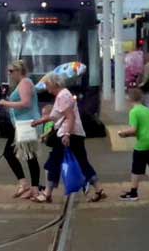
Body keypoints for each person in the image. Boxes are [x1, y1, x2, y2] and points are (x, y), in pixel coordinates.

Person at [32, 74, 106, 203]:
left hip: (68, 134)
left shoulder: (62, 96)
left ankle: (47, 193)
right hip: (74, 133)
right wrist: (38, 122)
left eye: (47, 84)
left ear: (54, 84)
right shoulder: (63, 95)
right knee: (82, 162)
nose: (46, 87)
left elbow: (70, 117)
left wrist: (66, 134)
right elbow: (56, 115)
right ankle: (99, 189)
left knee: (53, 162)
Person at [0, 60, 42, 199]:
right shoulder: (22, 84)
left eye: (11, 71)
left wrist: (6, 103)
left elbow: (26, 103)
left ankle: (29, 186)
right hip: (23, 125)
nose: (9, 74)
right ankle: (29, 186)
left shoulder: (25, 83)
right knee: (27, 155)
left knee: (21, 154)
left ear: (18, 71)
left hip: (27, 124)